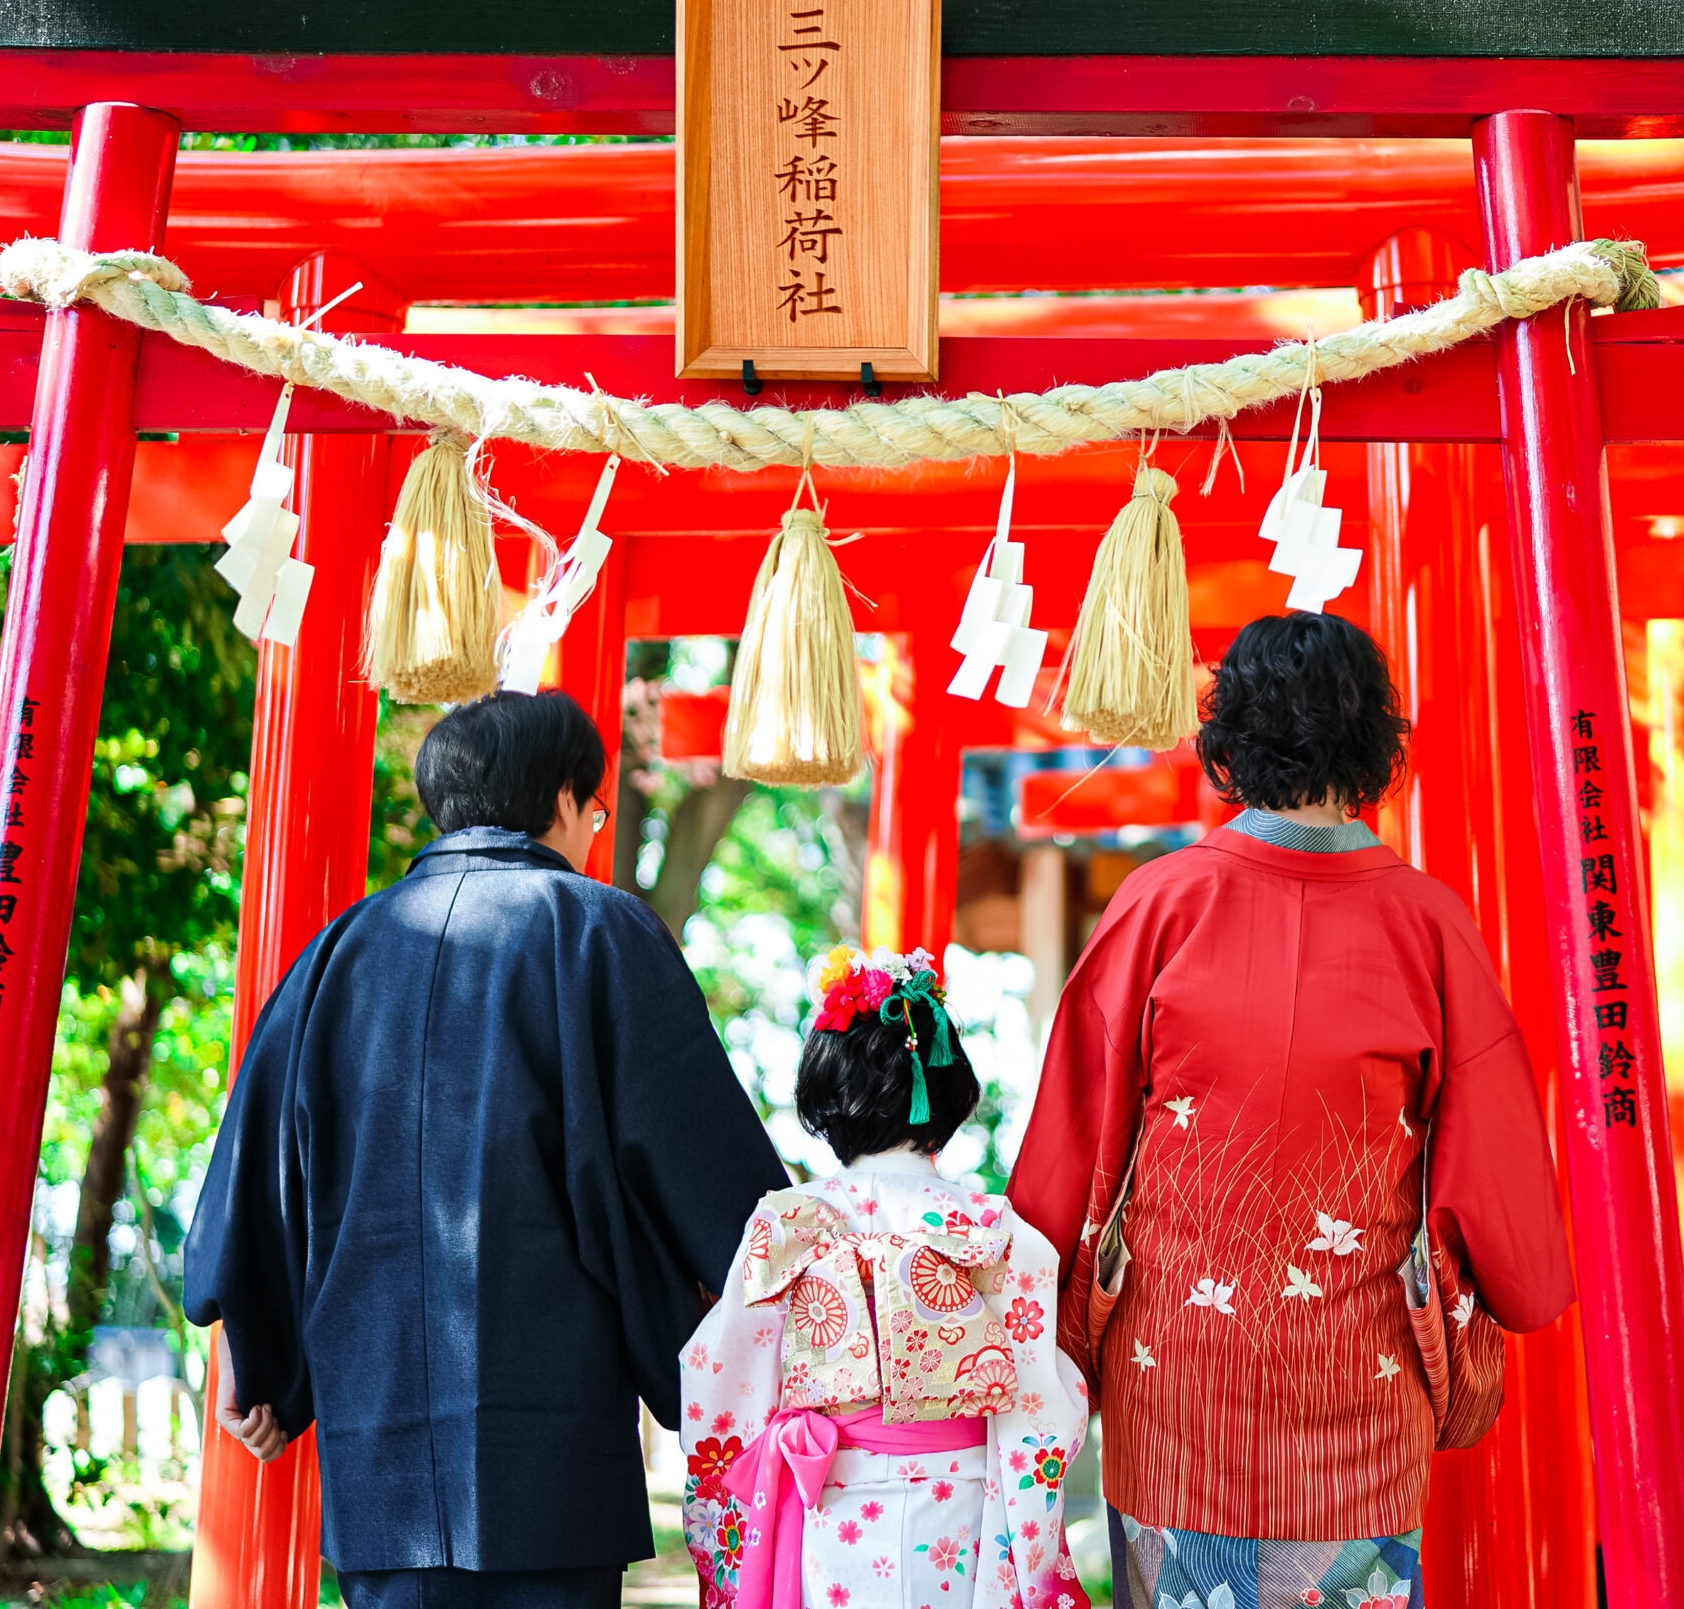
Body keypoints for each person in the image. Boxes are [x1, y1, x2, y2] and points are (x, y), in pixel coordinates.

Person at [1009, 611, 1576, 1609]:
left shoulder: (1158, 905)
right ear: (1375, 743)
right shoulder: (1429, 923)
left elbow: (1068, 1148)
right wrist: (1523, 1283)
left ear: (1228, 742)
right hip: (1357, 1387)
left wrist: (1022, 1304)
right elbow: (1494, 1175)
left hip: (1176, 1378)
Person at [185, 689, 789, 1609]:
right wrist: (798, 1297)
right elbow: (709, 1172)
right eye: (595, 809)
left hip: (377, 1443)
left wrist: (256, 1355)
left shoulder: (334, 955)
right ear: (560, 799)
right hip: (548, 1445)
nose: (595, 830)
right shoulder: (597, 929)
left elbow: (261, 1171)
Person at [679, 946, 1089, 1609]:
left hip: (831, 1508)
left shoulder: (786, 1223)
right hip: (963, 1514)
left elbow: (717, 1372)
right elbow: (1043, 1399)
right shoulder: (998, 1229)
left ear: (823, 1098)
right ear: (947, 1091)